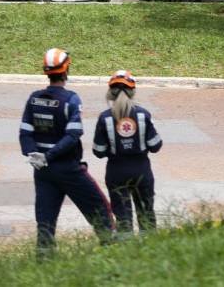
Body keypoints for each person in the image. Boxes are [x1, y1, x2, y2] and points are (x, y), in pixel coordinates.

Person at [19, 48, 114, 255]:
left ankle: (44, 264)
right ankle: (112, 255)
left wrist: (33, 154)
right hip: (68, 169)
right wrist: (49, 155)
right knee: (101, 211)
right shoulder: (71, 100)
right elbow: (73, 136)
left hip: (43, 172)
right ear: (66, 70)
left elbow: (24, 133)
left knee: (45, 224)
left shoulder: (33, 99)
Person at [92, 70, 163, 236]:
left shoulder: (105, 118)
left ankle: (126, 253)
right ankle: (150, 251)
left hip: (116, 172)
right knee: (146, 216)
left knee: (123, 220)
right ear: (133, 92)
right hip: (142, 171)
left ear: (110, 93)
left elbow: (99, 151)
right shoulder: (143, 115)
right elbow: (155, 145)